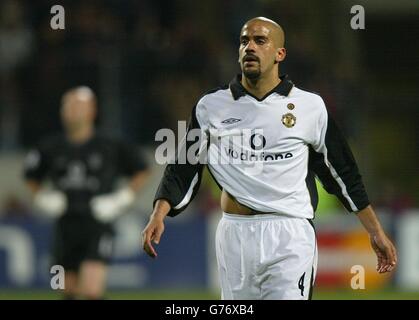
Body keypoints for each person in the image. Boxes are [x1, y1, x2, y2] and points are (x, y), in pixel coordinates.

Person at [141, 17, 397, 300]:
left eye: (260, 41)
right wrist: (158, 213)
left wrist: (375, 231)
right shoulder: (210, 106)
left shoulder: (310, 107)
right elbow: (183, 166)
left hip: (289, 234)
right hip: (234, 234)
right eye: (244, 41)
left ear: (280, 54)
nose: (250, 47)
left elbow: (344, 173)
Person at [24, 86, 149, 299]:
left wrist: (120, 199)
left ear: (92, 110)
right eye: (68, 105)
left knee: (92, 289)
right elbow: (31, 177)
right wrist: (44, 198)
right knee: (67, 288)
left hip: (97, 224)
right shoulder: (50, 147)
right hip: (65, 225)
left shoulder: (110, 144)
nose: (71, 110)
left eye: (77, 105)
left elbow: (141, 170)